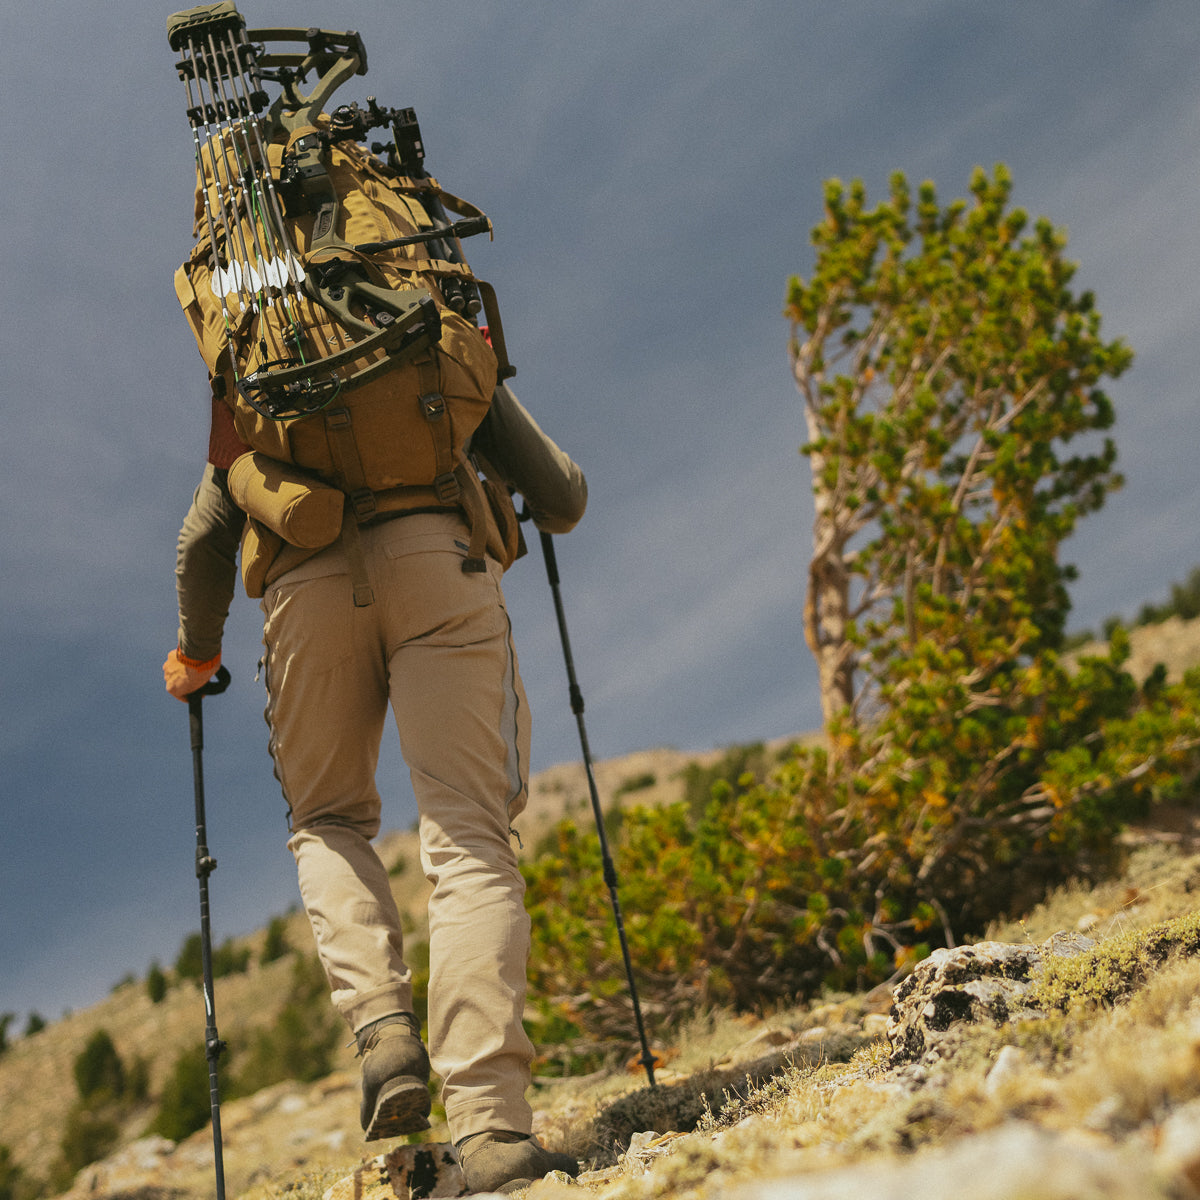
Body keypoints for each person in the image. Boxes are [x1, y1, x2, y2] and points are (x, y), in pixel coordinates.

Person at [163, 381, 587, 1194]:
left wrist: (197, 654)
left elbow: (205, 537)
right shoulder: (433, 325)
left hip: (303, 592)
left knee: (326, 820)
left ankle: (386, 1035)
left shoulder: (249, 351)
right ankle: (491, 1126)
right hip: (439, 560)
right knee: (469, 834)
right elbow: (561, 497)